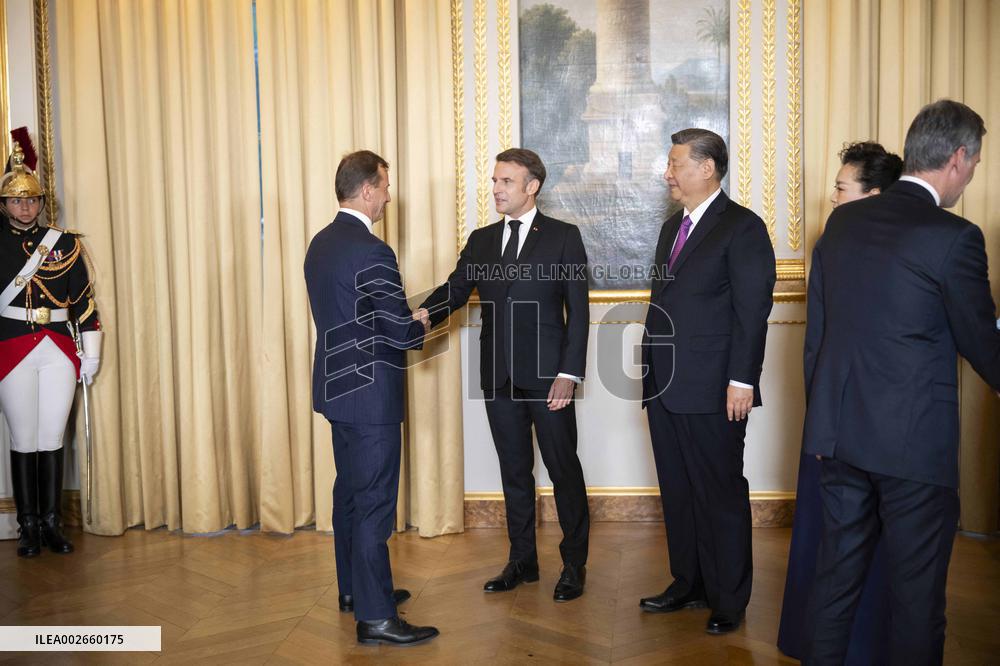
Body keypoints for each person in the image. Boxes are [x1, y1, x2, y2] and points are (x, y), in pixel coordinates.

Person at [802, 100, 1000, 665]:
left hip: (839, 436)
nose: (972, 173)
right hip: (913, 448)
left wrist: (821, 424)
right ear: (958, 158)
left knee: (834, 585)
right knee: (915, 599)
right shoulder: (956, 236)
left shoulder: (842, 224)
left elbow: (818, 337)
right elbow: (980, 340)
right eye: (975, 162)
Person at [415, 148, 591, 602]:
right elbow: (455, 289)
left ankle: (574, 564)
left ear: (532, 186)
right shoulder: (482, 240)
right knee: (514, 472)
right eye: (495, 180)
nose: (496, 188)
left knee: (563, 469)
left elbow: (579, 312)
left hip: (550, 377)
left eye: (506, 181)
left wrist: (569, 373)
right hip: (498, 376)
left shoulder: (564, 237)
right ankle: (522, 561)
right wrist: (422, 314)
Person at [639, 128, 776, 635]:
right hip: (664, 387)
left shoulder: (742, 227)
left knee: (719, 494)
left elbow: (751, 312)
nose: (667, 174)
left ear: (707, 168)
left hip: (716, 388)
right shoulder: (671, 228)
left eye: (675, 164)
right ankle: (689, 583)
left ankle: (728, 599)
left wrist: (742, 380)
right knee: (678, 491)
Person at [304, 150, 438, 647]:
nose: (388, 196)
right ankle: (377, 618)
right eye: (384, 186)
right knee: (374, 504)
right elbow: (399, 332)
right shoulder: (374, 251)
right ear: (366, 190)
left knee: (349, 495)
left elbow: (349, 315)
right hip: (370, 397)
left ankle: (354, 591)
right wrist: (420, 320)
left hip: (337, 391)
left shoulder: (320, 243)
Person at [777, 141, 903, 663]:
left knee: (839, 540)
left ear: (873, 195)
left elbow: (819, 345)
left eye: (840, 188)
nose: (832, 198)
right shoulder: (911, 243)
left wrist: (820, 415)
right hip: (872, 425)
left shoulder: (834, 245)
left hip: (838, 421)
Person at [0, 140, 102, 558]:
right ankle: (27, 526)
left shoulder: (64, 243)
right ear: (4, 204)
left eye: (32, 200)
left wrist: (91, 352)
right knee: (24, 438)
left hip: (59, 348)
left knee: (53, 436)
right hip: (12, 348)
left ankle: (51, 523)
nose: (25, 207)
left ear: (42, 202)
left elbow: (84, 302)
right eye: (16, 200)